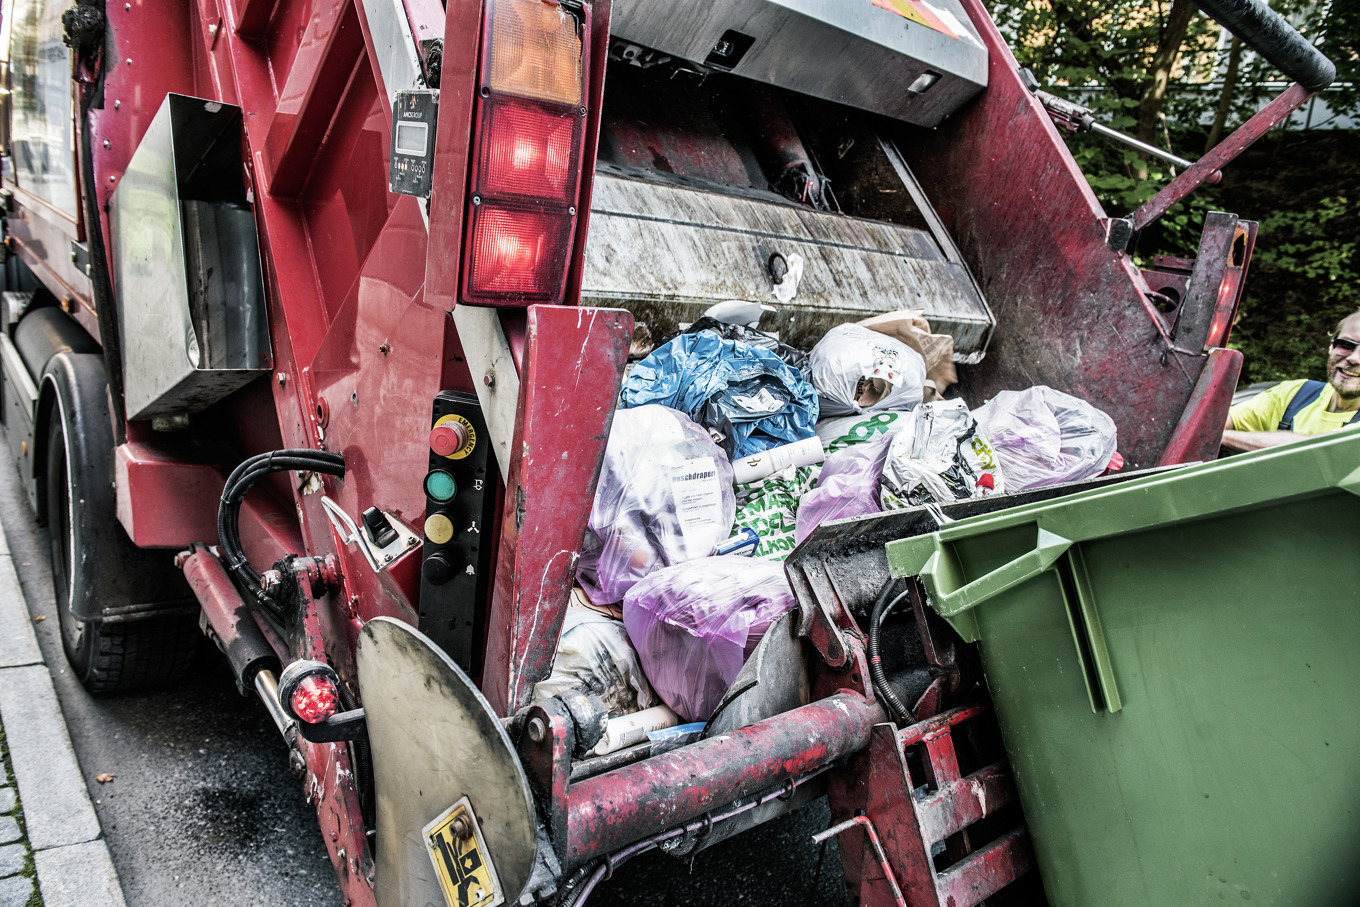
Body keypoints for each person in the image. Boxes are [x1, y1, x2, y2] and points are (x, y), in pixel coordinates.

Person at [1222, 309, 1360, 452]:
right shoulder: (1295, 394)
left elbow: (1316, 450)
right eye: (1346, 345)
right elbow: (1215, 424)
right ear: (1331, 347)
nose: (1353, 358)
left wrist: (1222, 437)